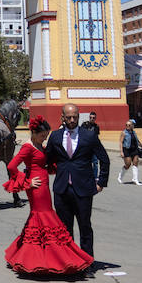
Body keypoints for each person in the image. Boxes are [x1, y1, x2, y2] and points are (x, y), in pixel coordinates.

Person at [3, 115, 92, 275]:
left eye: (46, 135)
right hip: (36, 187)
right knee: (43, 217)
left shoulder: (38, 145)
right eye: (42, 135)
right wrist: (27, 182)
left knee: (39, 218)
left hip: (43, 185)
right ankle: (41, 259)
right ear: (34, 133)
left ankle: (32, 255)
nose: (45, 138)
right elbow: (11, 166)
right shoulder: (28, 147)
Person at [43, 103, 109, 259]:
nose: (72, 120)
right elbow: (46, 159)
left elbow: (104, 159)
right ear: (63, 118)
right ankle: (69, 260)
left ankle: (87, 260)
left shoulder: (89, 136)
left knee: (85, 226)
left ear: (79, 117)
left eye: (75, 117)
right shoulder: (55, 136)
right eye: (69, 117)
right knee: (64, 228)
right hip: (62, 189)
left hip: (83, 189)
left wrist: (101, 183)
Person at [118, 120, 142, 185]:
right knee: (128, 164)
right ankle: (120, 177)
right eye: (126, 125)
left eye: (129, 125)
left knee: (135, 162)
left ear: (132, 126)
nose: (127, 126)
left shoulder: (133, 132)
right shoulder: (124, 133)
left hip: (134, 149)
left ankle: (135, 179)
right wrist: (121, 152)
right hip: (126, 150)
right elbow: (121, 142)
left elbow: (137, 141)